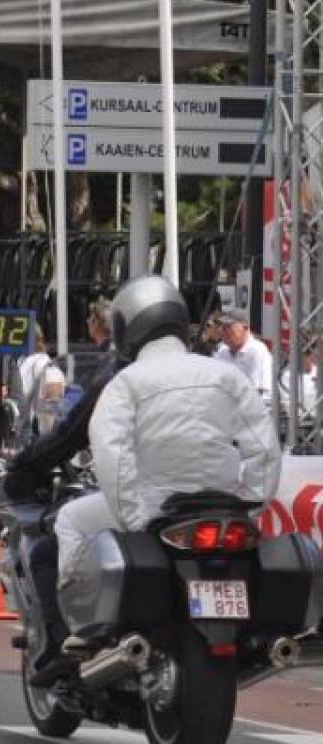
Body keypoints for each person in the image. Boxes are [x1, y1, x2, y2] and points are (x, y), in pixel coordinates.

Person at [44, 276, 280, 676]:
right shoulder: (225, 375)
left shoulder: (127, 382)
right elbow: (264, 448)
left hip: (155, 507)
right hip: (222, 506)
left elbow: (111, 453)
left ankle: (83, 628)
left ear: (129, 327)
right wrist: (248, 505)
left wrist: (135, 519)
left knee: (69, 519)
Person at [213, 308, 275, 403]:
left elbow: (259, 393)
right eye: (223, 327)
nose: (224, 331)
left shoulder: (257, 350)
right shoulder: (222, 352)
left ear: (245, 327)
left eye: (229, 326)